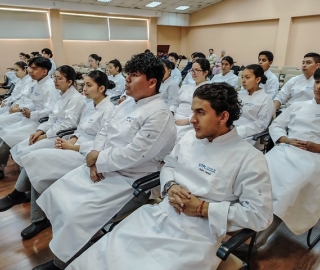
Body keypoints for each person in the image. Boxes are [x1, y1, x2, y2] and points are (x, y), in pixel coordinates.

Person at [66, 82, 273, 270]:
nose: (192, 119)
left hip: (197, 236)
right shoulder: (190, 139)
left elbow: (260, 216)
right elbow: (168, 166)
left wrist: (204, 208)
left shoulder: (249, 158)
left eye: (200, 112)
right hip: (160, 215)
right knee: (102, 254)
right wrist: (170, 186)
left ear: (223, 116)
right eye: (193, 111)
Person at [32, 52, 176, 270]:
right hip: (103, 165)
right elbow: (105, 131)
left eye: (134, 75)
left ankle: (61, 263)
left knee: (77, 215)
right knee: (60, 193)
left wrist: (98, 161)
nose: (126, 79)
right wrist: (94, 155)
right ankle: (67, 248)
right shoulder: (127, 104)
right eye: (128, 74)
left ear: (152, 82)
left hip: (131, 178)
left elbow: (135, 155)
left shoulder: (159, 114)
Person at [0, 70, 115, 240]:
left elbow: (102, 142)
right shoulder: (90, 105)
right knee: (36, 160)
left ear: (102, 88)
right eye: (84, 84)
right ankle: (32, 210)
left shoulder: (109, 110)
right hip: (73, 145)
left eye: (89, 85)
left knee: (37, 161)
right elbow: (79, 129)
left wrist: (74, 147)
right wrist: (71, 142)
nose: (84, 88)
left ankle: (23, 201)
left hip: (86, 154)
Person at [255, 68, 320, 249]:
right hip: (286, 150)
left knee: (286, 193)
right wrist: (285, 139)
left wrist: (318, 148)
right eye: (317, 82)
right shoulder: (299, 106)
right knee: (256, 173)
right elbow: (277, 125)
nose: (319, 87)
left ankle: (258, 241)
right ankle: (242, 223)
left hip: (314, 159)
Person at [10, 65, 87, 166]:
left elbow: (68, 125)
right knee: (22, 147)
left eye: (59, 78)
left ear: (69, 82)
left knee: (27, 153)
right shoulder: (61, 95)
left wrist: (45, 136)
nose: (55, 80)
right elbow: (52, 117)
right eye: (54, 77)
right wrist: (39, 131)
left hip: (62, 135)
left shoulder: (75, 99)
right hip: (52, 130)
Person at [0, 57, 58, 180]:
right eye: (30, 68)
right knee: (5, 134)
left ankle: (1, 168)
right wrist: (25, 109)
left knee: (8, 140)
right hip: (29, 118)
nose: (30, 71)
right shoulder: (37, 83)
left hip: (40, 123)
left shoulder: (49, 86)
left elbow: (49, 110)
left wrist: (31, 114)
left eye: (34, 68)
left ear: (44, 71)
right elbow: (34, 101)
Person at [170, 58, 211, 142]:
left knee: (177, 139)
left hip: (191, 122)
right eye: (192, 70)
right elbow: (175, 103)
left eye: (197, 70)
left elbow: (204, 112)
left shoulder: (209, 90)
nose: (193, 73)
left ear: (206, 72)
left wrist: (186, 121)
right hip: (174, 118)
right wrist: (171, 113)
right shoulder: (186, 87)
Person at [234, 64, 273, 146]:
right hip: (232, 129)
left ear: (258, 79)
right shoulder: (238, 95)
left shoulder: (266, 99)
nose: (243, 81)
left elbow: (262, 124)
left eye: (247, 77)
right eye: (242, 77)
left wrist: (239, 130)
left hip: (249, 135)